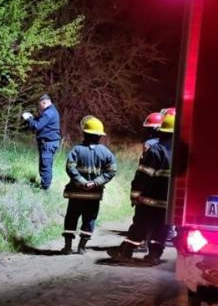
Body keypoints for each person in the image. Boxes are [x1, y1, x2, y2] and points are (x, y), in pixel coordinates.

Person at [107, 112, 175, 263]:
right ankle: (154, 256)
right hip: (169, 203)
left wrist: (135, 194)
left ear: (161, 131)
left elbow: (143, 175)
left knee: (141, 226)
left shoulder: (156, 150)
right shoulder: (182, 153)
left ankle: (125, 252)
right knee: (161, 229)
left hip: (149, 199)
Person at [61, 115, 118, 255]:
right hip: (94, 194)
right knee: (90, 219)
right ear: (100, 136)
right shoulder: (106, 152)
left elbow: (70, 168)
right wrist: (95, 182)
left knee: (71, 217)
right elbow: (111, 171)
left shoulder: (76, 150)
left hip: (76, 193)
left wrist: (82, 182)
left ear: (84, 133)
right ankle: (82, 247)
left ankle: (68, 247)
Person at [22, 94, 61, 190]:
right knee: (46, 164)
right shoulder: (51, 111)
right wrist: (33, 118)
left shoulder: (49, 113)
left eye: (40, 105)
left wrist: (28, 119)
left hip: (48, 143)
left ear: (44, 103)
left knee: (45, 165)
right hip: (50, 143)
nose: (39, 107)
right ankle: (45, 185)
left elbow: (36, 126)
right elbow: (41, 122)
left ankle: (44, 189)